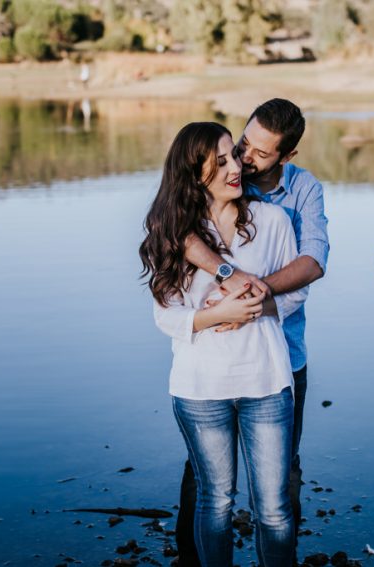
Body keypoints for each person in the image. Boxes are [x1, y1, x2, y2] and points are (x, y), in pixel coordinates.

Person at [140, 122, 308, 566]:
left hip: (267, 383)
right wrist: (217, 315)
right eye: (221, 162)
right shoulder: (175, 232)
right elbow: (165, 316)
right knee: (214, 503)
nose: (236, 167)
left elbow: (295, 295)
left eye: (233, 156)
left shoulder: (272, 221)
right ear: (195, 174)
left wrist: (253, 303)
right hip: (200, 389)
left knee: (273, 511)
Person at [178, 99, 330, 563]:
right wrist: (227, 278)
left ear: (286, 158)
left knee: (281, 478)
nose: (244, 159)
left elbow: (313, 262)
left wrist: (252, 300)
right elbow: (171, 230)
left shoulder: (299, 194)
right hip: (214, 369)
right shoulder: (219, 175)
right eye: (244, 142)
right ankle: (190, 556)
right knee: (206, 481)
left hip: (282, 357)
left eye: (260, 154)